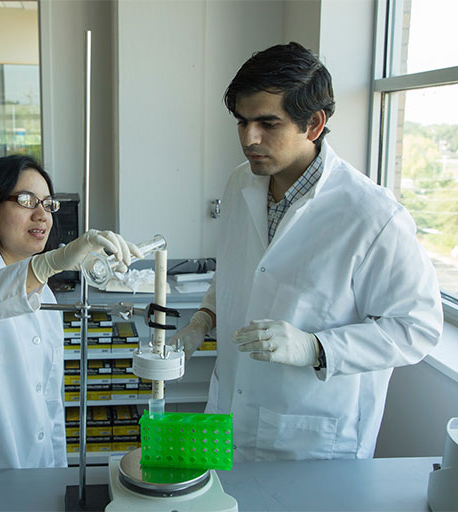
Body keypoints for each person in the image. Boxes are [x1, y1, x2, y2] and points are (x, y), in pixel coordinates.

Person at [174, 42, 443, 462]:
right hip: (230, 414)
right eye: (242, 122)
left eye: (267, 123)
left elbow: (417, 328)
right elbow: (236, 274)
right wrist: (203, 320)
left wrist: (316, 348)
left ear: (314, 124)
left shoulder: (371, 214)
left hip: (312, 437)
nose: (250, 138)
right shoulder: (240, 184)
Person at [0, 154, 141, 471]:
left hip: (32, 469)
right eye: (25, 201)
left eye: (48, 205)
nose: (42, 216)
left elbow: (49, 399)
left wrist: (56, 472)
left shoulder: (43, 291)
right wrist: (48, 263)